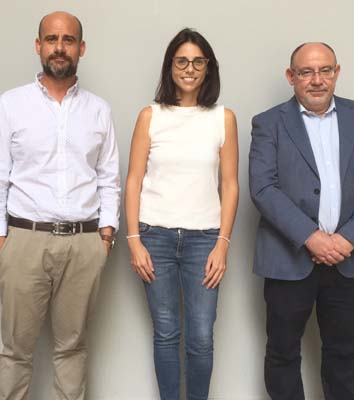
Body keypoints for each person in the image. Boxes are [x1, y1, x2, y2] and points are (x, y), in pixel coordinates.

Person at [0, 11, 120, 400]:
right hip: (24, 240)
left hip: (84, 242)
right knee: (16, 351)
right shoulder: (11, 105)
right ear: (38, 45)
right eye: (52, 39)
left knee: (72, 348)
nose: (60, 47)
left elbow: (108, 177)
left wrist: (105, 235)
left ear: (82, 48)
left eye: (69, 39)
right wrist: (0, 241)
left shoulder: (99, 111)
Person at [248, 42, 354, 400]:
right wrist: (312, 237)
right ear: (291, 77)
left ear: (337, 73)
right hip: (288, 261)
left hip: (351, 261)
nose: (317, 80)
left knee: (345, 353)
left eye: (325, 70)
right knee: (282, 353)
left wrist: (348, 239)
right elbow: (263, 188)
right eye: (307, 72)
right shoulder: (268, 123)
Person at [124, 28, 239, 400]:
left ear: (208, 68)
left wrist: (222, 243)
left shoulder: (223, 118)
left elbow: (231, 185)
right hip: (154, 236)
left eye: (198, 62)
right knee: (166, 331)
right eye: (182, 61)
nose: (189, 69)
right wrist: (134, 241)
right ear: (170, 66)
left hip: (204, 239)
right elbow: (133, 181)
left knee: (201, 336)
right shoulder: (150, 116)